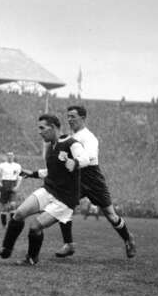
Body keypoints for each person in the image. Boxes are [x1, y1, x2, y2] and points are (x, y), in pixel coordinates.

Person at [0, 114, 89, 265]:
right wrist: (32, 173)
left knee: (35, 226)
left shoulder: (72, 143)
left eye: (42, 128)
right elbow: (51, 171)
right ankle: (5, 250)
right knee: (19, 213)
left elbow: (86, 158)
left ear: (52, 127)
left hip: (65, 199)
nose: (39, 132)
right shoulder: (50, 147)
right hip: (49, 190)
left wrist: (76, 162)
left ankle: (32, 258)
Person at [55, 105, 136, 259]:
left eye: (73, 116)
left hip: (92, 177)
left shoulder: (89, 137)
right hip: (76, 177)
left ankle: (128, 239)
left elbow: (91, 157)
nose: (69, 119)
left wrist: (75, 162)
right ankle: (68, 244)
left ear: (83, 118)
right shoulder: (70, 137)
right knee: (64, 206)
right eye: (68, 116)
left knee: (111, 215)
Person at [0, 151, 23, 227]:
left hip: (13, 184)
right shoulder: (2, 165)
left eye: (11, 155)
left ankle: (12, 224)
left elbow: (20, 177)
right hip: (4, 184)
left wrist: (17, 186)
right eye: (8, 155)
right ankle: (4, 224)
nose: (10, 157)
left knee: (13, 205)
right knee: (4, 206)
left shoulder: (17, 166)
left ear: (13, 156)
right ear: (6, 156)